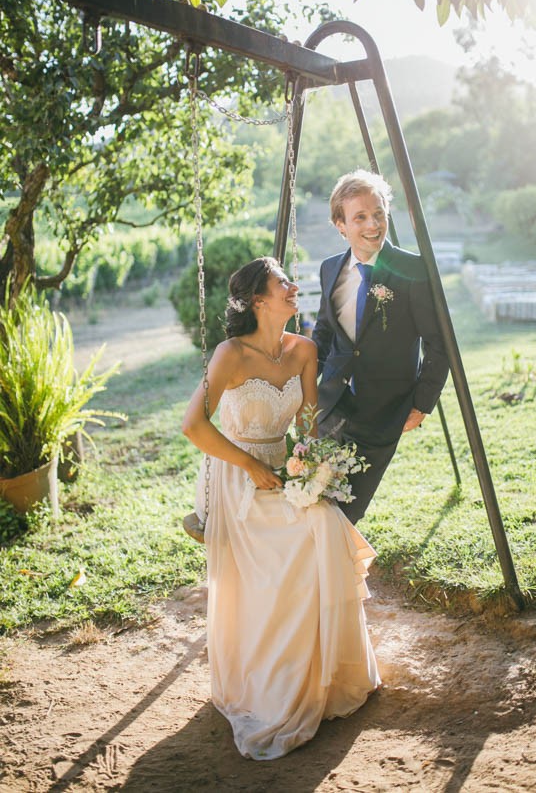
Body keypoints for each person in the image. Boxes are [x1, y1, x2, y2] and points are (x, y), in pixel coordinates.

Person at [182, 257, 380, 761]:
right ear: (259, 301)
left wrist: (314, 471)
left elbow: (310, 427)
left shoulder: (304, 350)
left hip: (286, 474)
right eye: (282, 283)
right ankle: (270, 684)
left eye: (291, 281)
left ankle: (324, 674)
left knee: (324, 526)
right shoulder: (229, 355)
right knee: (273, 573)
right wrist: (250, 465)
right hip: (237, 478)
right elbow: (195, 428)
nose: (294, 287)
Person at [313, 170, 450, 524]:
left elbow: (438, 344)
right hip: (331, 405)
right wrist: (305, 384)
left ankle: (337, 577)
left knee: (345, 512)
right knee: (311, 497)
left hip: (385, 411)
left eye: (379, 214)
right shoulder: (330, 269)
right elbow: (326, 330)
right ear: (340, 224)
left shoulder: (414, 270)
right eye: (360, 217)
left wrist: (422, 404)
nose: (373, 224)